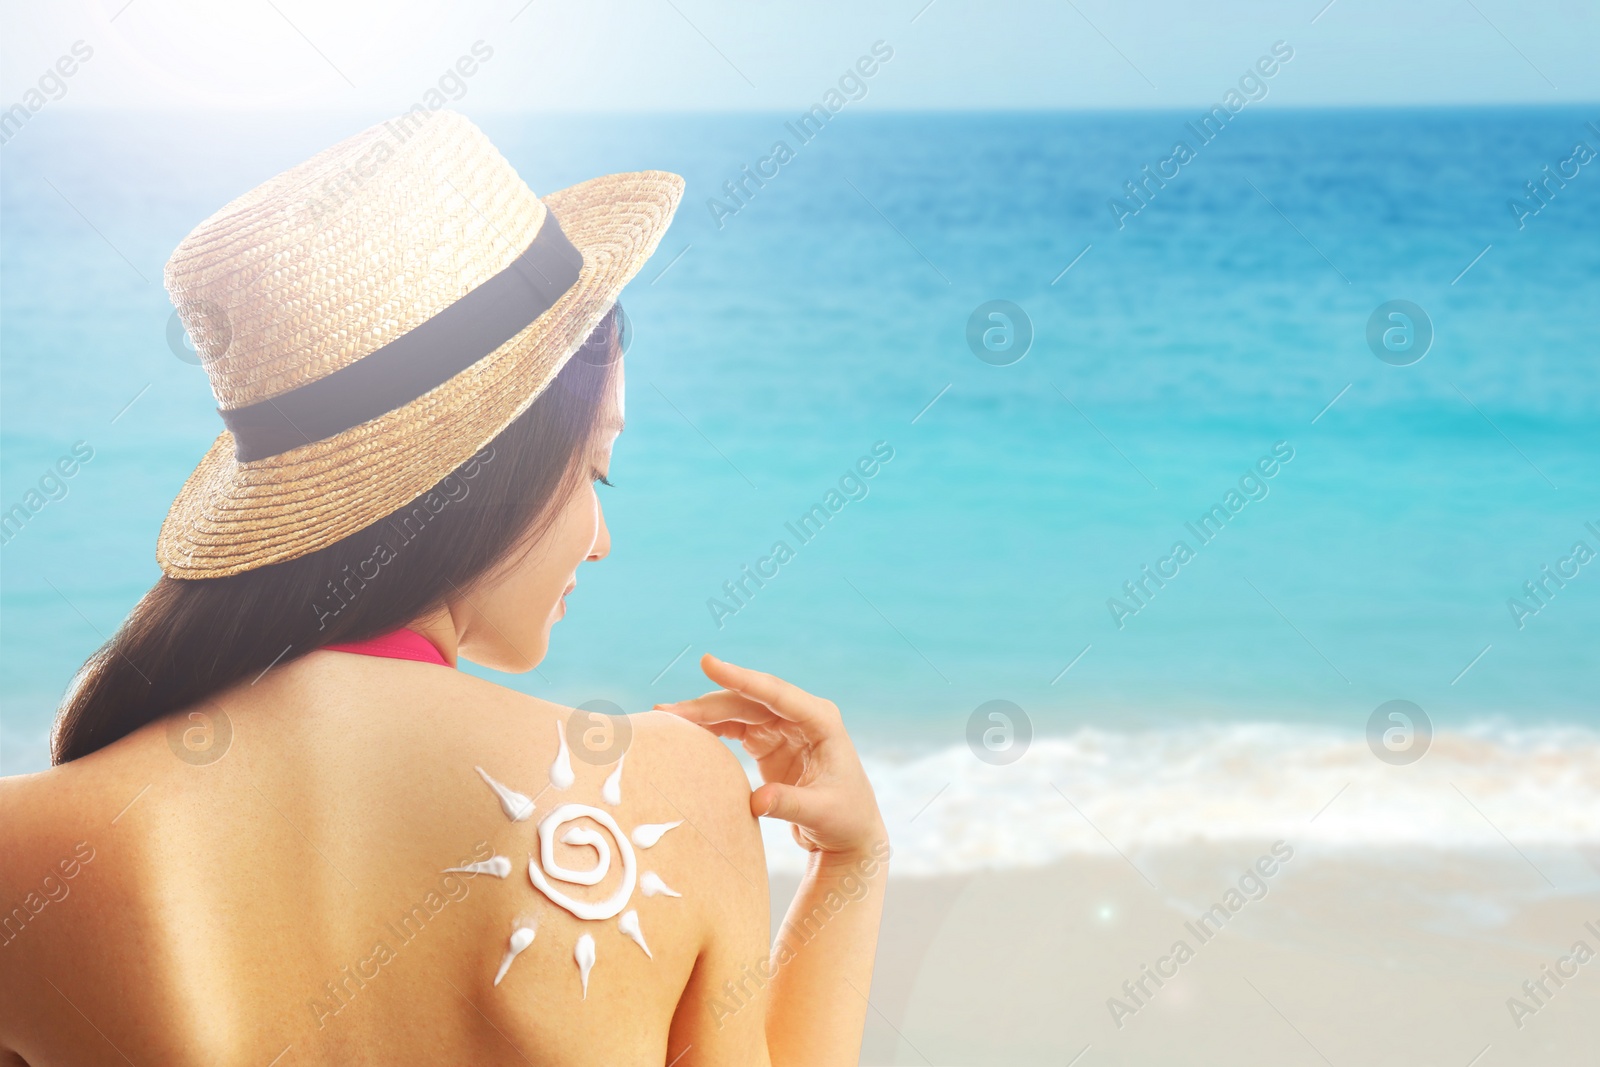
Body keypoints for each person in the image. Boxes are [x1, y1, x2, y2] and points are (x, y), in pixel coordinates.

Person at [0, 111, 888, 1066]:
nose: (601, 542)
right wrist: (850, 871)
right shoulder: (671, 789)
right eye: (597, 469)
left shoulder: (30, 845)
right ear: (508, 465)